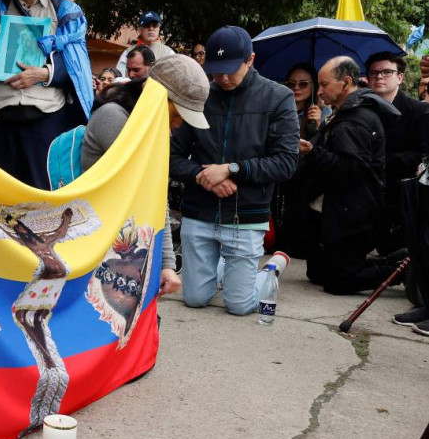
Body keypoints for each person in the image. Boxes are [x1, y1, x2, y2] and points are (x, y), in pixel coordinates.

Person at [169, 26, 299, 315]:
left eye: (230, 70)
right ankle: (223, 269)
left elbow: (287, 162)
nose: (222, 78)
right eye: (216, 71)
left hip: (246, 213)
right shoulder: (199, 95)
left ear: (250, 59)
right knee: (194, 298)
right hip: (199, 210)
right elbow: (171, 157)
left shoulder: (278, 97)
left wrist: (231, 169)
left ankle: (271, 268)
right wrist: (205, 178)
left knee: (239, 305)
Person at [82, 54, 211, 296]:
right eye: (177, 112)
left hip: (124, 246)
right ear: (153, 95)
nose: (179, 123)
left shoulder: (151, 128)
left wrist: (167, 265)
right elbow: (151, 193)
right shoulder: (114, 118)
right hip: (98, 250)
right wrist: (166, 264)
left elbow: (155, 196)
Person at [0, 0, 93, 189]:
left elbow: (77, 65)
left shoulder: (65, 12)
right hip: (1, 119)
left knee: (41, 198)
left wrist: (45, 73)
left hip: (45, 123)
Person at [302, 56, 402, 294]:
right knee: (317, 272)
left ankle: (401, 269)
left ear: (346, 82)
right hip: (341, 210)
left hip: (354, 213)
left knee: (337, 282)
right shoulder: (344, 113)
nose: (321, 91)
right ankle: (395, 261)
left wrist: (313, 152)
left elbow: (351, 171)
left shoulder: (355, 119)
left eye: (325, 85)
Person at [365, 51, 429, 254]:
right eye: (374, 73)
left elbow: (422, 155)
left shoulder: (419, 111)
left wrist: (383, 159)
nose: (379, 77)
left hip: (402, 197)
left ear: (400, 77)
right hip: (367, 196)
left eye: (387, 72)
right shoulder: (362, 111)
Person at [268, 62, 326, 258]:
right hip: (278, 174)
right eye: (291, 83)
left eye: (303, 84)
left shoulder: (321, 114)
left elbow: (321, 152)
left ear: (313, 87)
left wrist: (317, 127)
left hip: (304, 179)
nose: (296, 89)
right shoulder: (277, 109)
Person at [115, 10, 175, 76]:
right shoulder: (127, 52)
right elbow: (119, 78)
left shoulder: (169, 54)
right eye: (147, 25)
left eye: (154, 25)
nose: (151, 28)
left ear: (159, 29)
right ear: (139, 30)